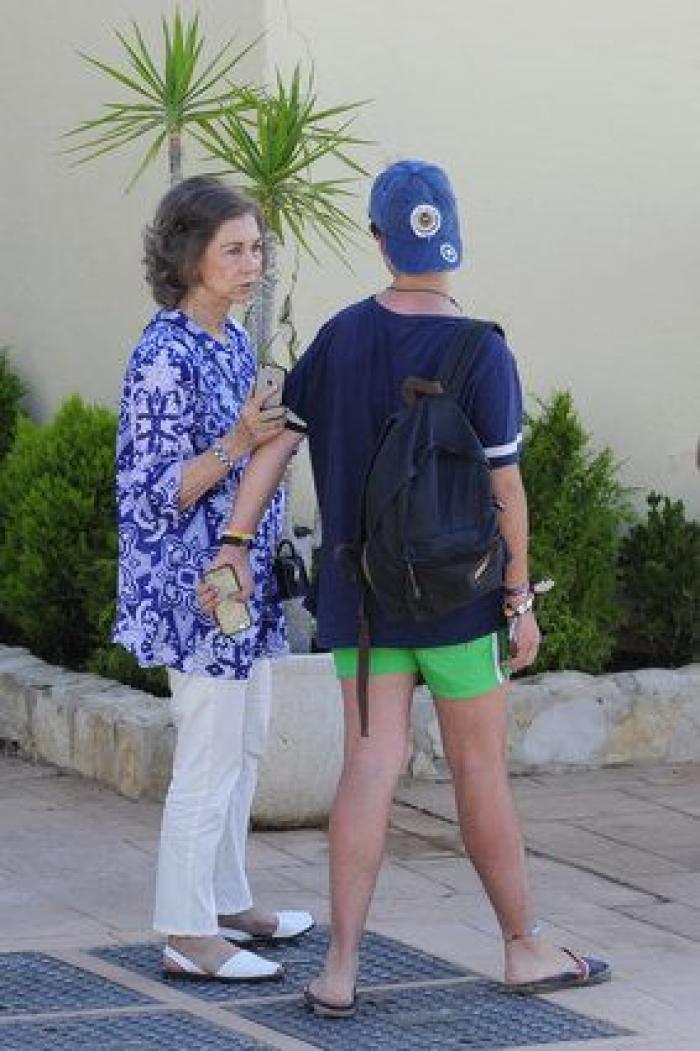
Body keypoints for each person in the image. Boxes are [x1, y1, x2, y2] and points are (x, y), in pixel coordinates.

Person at [199, 160, 610, 1009]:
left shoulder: (341, 338)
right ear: (453, 237)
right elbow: (505, 487)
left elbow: (278, 444)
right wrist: (519, 597)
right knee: (478, 769)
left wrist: (235, 540)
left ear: (379, 241)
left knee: (368, 764)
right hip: (461, 600)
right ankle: (524, 947)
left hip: (364, 604)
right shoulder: (482, 350)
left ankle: (340, 968)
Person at [114, 175, 313, 982]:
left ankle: (226, 900)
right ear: (189, 256)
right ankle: (186, 930)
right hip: (193, 592)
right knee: (207, 756)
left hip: (241, 584)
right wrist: (238, 440)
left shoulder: (228, 341)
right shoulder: (163, 355)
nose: (251, 263)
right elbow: (151, 492)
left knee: (246, 741)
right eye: (233, 250)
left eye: (256, 248)